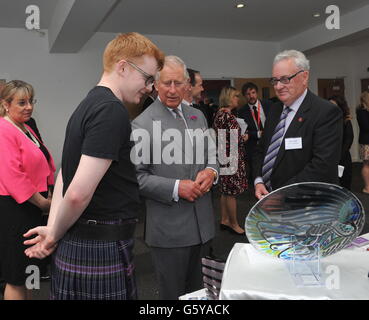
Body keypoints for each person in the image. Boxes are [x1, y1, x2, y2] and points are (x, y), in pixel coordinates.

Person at [23, 32, 165, 300]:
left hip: (82, 241)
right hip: (99, 246)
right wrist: (53, 234)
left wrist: (54, 227)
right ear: (123, 67)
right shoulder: (111, 110)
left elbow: (65, 173)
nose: (150, 88)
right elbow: (76, 193)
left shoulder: (87, 104)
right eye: (148, 78)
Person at [131, 55, 218, 300]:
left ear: (187, 85)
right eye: (166, 83)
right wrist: (177, 187)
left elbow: (213, 157)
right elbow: (137, 177)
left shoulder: (197, 116)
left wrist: (211, 172)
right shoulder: (142, 124)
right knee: (173, 296)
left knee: (200, 295)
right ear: (156, 85)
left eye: (178, 83)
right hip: (169, 232)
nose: (172, 90)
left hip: (203, 227)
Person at [253, 50, 343, 200]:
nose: (278, 86)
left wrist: (281, 195)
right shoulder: (275, 110)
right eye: (275, 80)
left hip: (307, 204)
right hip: (269, 199)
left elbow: (322, 166)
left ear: (304, 77)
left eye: (285, 79)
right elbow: (261, 150)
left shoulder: (326, 112)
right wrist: (258, 180)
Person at [0, 80, 55, 300]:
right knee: (16, 275)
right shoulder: (3, 129)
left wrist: (49, 192)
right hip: (16, 210)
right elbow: (13, 175)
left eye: (31, 101)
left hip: (33, 207)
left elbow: (44, 161)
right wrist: (43, 203)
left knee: (30, 270)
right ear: (6, 104)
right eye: (22, 102)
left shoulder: (27, 126)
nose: (29, 107)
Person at [213, 86, 247, 235]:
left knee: (224, 191)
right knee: (231, 193)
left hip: (223, 155)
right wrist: (244, 138)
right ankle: (234, 224)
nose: (237, 99)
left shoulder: (219, 114)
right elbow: (234, 140)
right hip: (231, 157)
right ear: (228, 98)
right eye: (235, 96)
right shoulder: (228, 116)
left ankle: (224, 220)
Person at [238, 82, 272, 183]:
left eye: (253, 92)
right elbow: (244, 131)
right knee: (256, 172)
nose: (251, 96)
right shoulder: (241, 111)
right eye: (248, 94)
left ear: (257, 93)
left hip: (270, 143)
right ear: (245, 96)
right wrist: (257, 134)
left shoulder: (269, 105)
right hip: (253, 147)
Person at [328, 95, 353, 190]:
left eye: (334, 105)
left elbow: (349, 140)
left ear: (340, 106)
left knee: (344, 186)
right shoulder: (325, 121)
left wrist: (339, 156)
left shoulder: (346, 121)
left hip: (343, 158)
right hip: (328, 158)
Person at [356, 91, 369, 194]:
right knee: (366, 165)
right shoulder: (361, 111)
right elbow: (366, 126)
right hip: (366, 142)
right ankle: (367, 187)